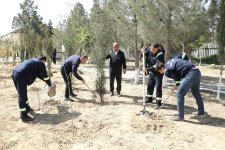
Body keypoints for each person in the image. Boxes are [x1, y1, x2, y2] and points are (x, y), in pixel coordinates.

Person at [12, 55, 54, 122]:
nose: (44, 64)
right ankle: (23, 116)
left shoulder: (34, 61)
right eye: (44, 63)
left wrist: (47, 82)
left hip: (15, 72)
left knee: (23, 94)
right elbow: (45, 76)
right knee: (22, 96)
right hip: (20, 76)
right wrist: (50, 85)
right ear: (44, 61)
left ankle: (27, 108)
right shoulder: (41, 63)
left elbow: (40, 75)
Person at [141, 43, 165, 109]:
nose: (152, 51)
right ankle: (149, 98)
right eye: (151, 49)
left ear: (157, 49)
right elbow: (144, 54)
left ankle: (158, 103)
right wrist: (142, 51)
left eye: (154, 50)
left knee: (158, 87)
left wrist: (147, 69)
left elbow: (157, 66)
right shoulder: (148, 49)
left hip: (158, 72)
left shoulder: (160, 55)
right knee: (150, 85)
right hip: (151, 72)